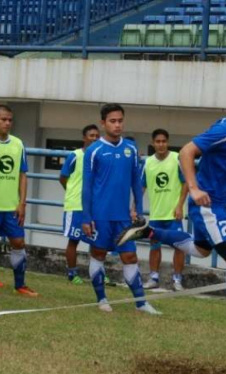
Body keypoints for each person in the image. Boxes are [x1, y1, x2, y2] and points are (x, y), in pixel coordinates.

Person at [116, 79, 226, 350]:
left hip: (219, 203)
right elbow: (187, 151)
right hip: (209, 203)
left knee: (201, 249)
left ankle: (148, 231)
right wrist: (193, 189)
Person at [81, 103, 160, 315]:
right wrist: (86, 218)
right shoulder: (93, 150)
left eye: (120, 121)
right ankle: (102, 299)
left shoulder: (131, 149)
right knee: (98, 254)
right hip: (100, 216)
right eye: (112, 121)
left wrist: (139, 211)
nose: (117, 125)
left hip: (124, 217)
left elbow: (136, 182)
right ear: (103, 123)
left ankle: (141, 303)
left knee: (130, 257)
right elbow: (86, 187)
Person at [0, 105, 37, 297]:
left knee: (19, 242)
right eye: (3, 119)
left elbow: (22, 175)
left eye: (10, 120)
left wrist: (22, 203)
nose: (7, 123)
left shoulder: (18, 144)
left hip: (11, 206)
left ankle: (20, 284)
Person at [141, 129, 188, 291]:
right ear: (153, 143)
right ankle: (153, 277)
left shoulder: (177, 159)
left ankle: (177, 279)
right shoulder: (148, 162)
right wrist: (135, 206)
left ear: (167, 142)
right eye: (158, 141)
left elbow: (186, 183)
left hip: (174, 214)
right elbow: (142, 186)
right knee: (154, 245)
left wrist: (180, 205)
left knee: (180, 246)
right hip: (156, 214)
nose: (161, 144)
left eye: (164, 141)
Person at [59, 124, 100, 285]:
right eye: (91, 135)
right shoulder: (75, 155)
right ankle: (72, 273)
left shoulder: (99, 157)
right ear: (84, 138)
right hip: (75, 206)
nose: (95, 138)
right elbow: (63, 177)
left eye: (97, 136)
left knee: (97, 241)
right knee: (73, 240)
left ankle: (98, 273)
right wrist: (72, 192)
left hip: (94, 207)